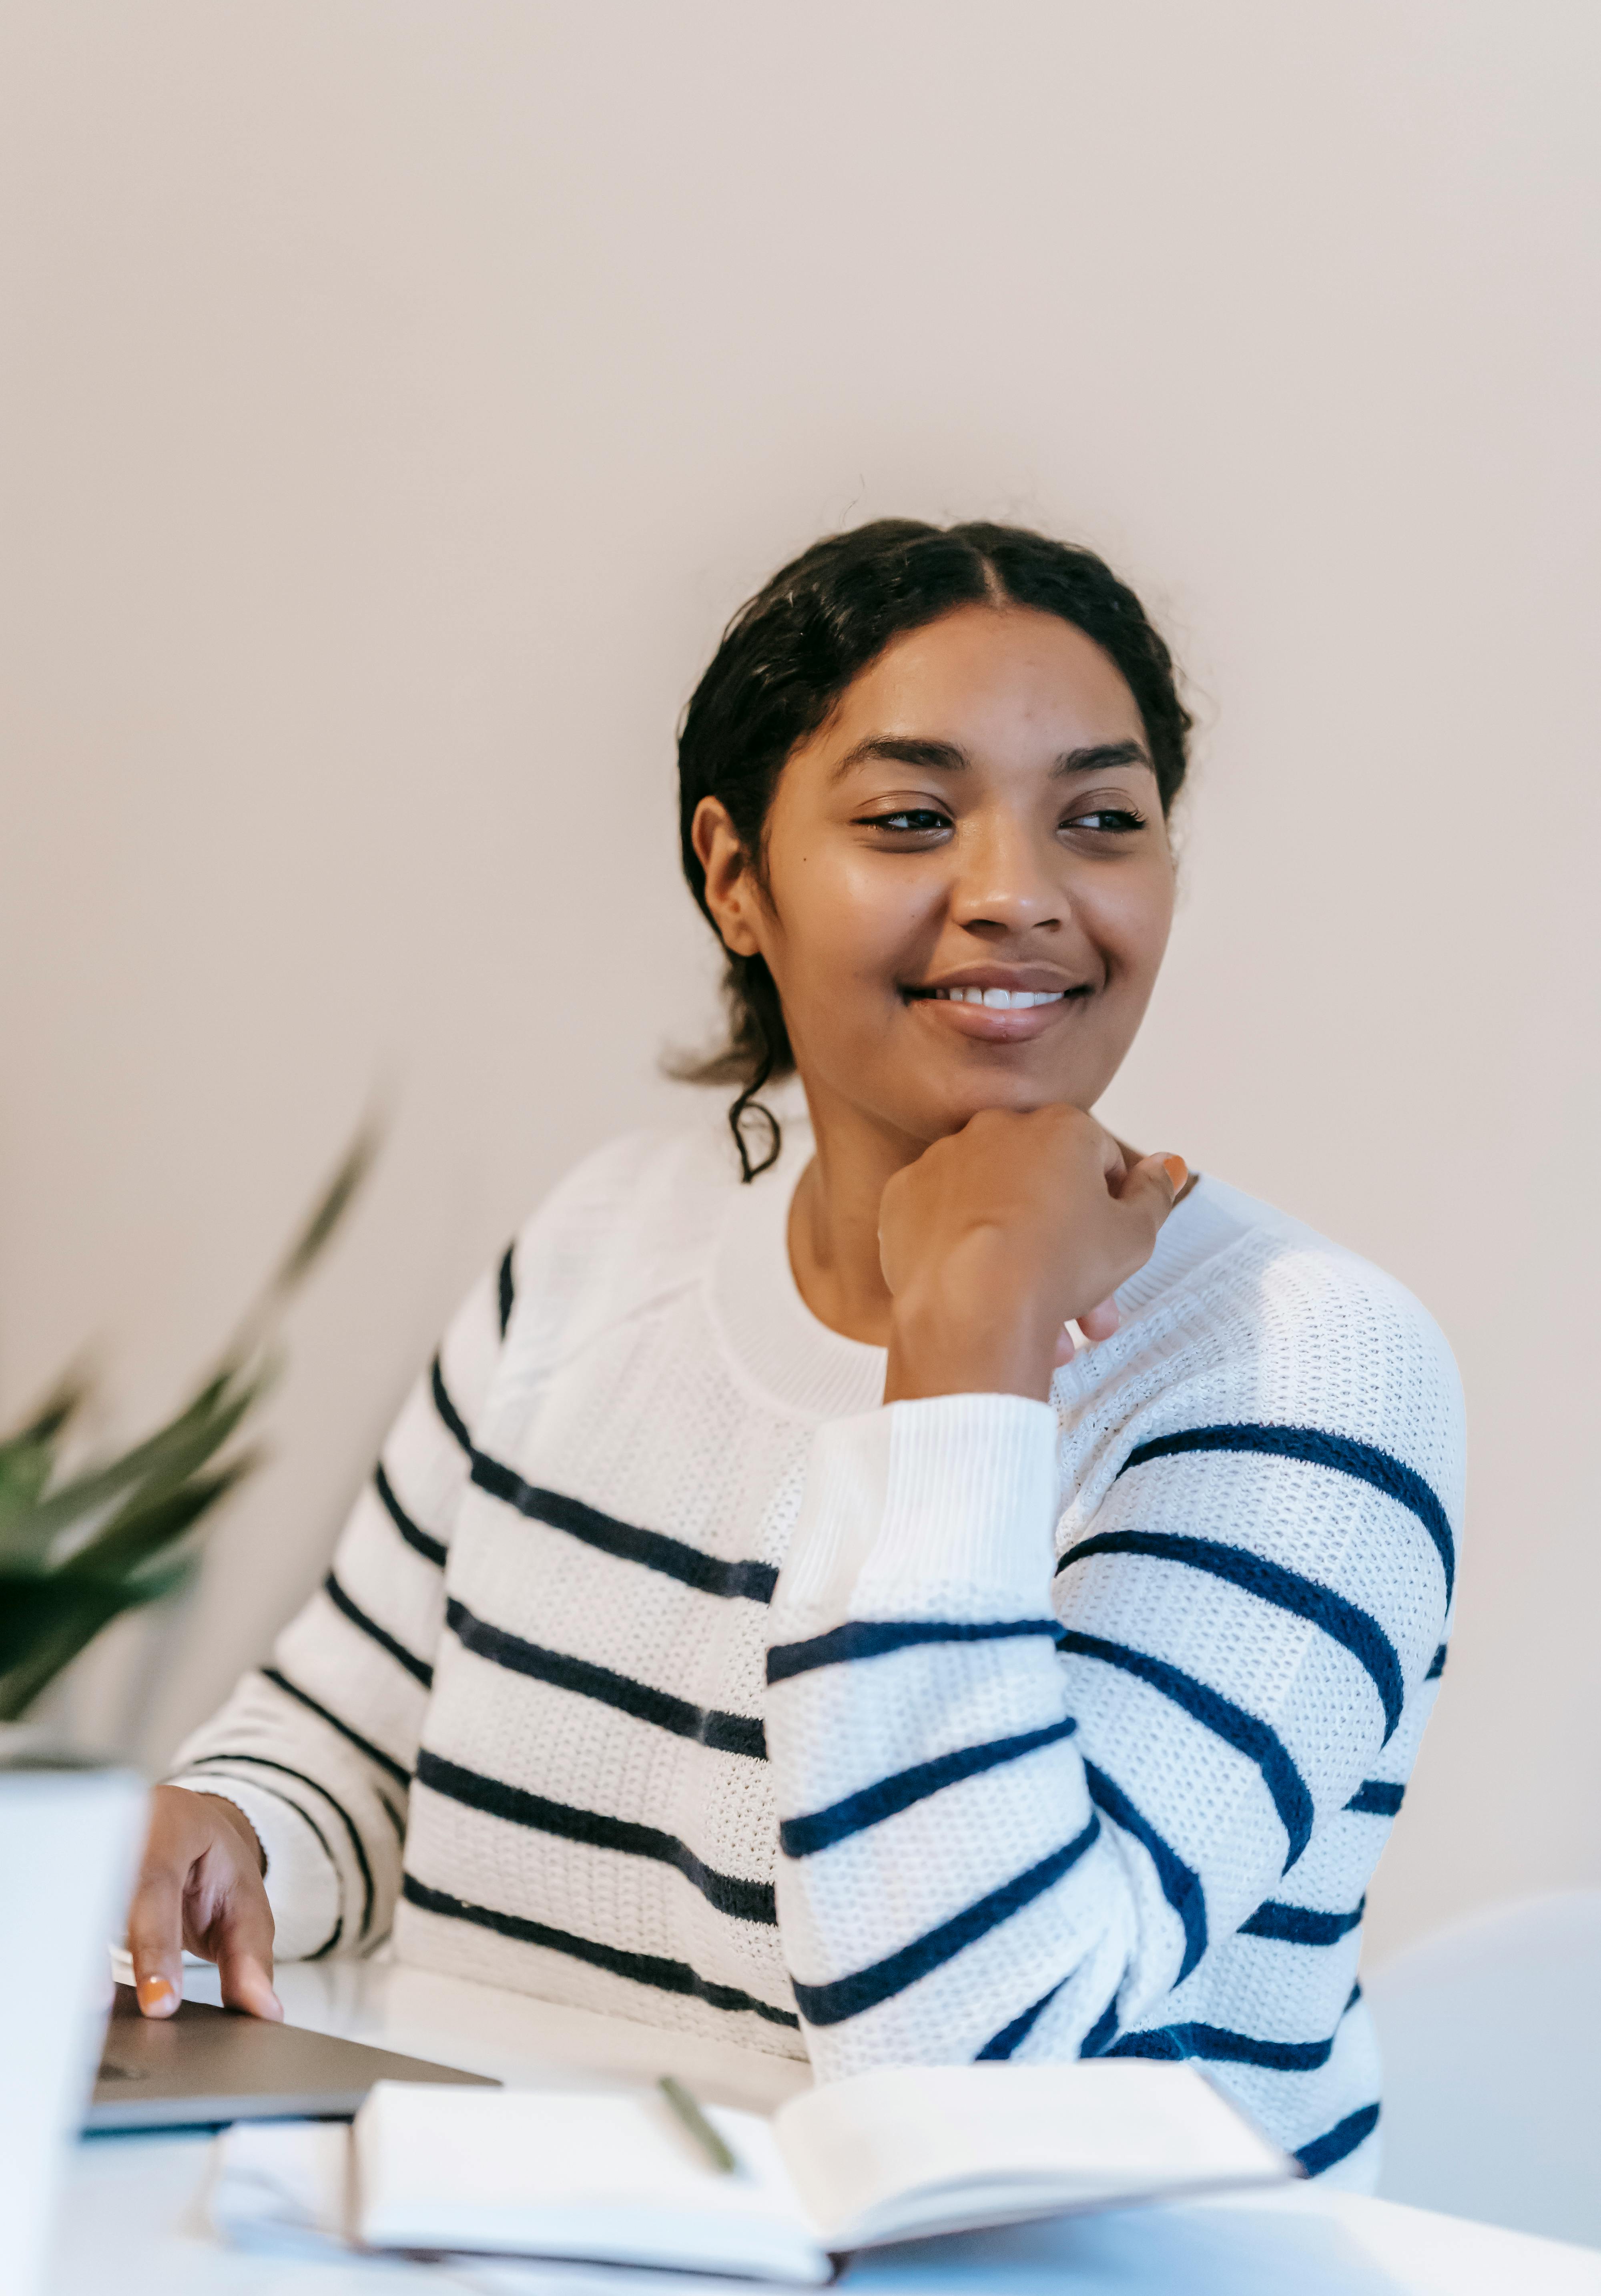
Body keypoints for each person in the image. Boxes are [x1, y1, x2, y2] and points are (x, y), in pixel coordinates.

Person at [127, 519, 1462, 2189]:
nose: (1018, 897)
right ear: (734, 874)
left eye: (1102, 821)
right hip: (509, 2231)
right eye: (910, 817)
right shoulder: (606, 1243)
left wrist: (967, 1353)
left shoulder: (1300, 1375)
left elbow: (969, 2065)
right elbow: (347, 1748)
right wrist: (223, 1836)